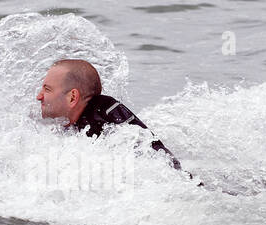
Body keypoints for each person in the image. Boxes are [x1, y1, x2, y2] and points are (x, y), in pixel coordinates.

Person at [36, 58, 181, 171]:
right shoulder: (80, 119)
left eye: (47, 90)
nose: (39, 96)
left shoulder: (101, 123)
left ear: (72, 97)